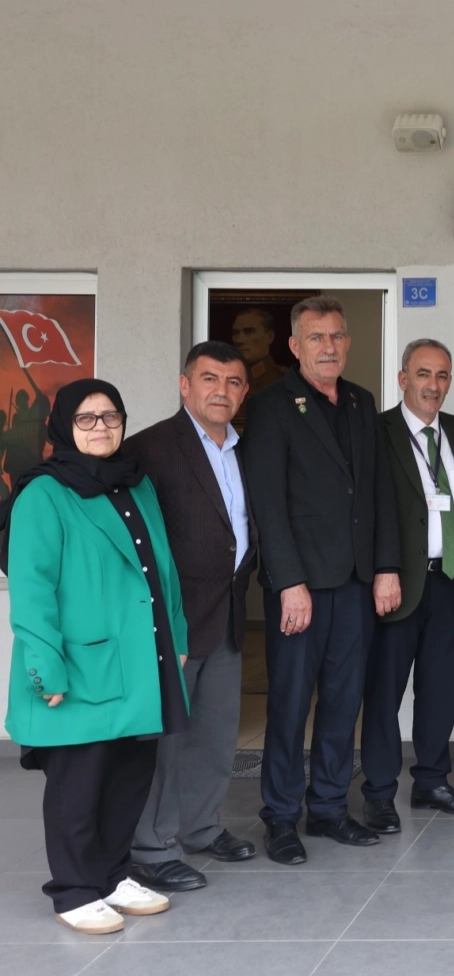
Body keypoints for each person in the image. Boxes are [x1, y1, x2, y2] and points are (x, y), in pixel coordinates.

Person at [2, 380, 187, 933]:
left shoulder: (136, 483)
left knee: (129, 776)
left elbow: (163, 569)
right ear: (64, 426)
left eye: (110, 416)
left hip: (139, 661)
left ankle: (111, 874)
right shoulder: (44, 494)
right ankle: (75, 889)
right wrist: (45, 669)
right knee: (78, 786)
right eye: (86, 419)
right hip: (79, 665)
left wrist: (176, 639)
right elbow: (31, 590)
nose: (101, 427)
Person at [242, 295, 401, 865]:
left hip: (356, 582)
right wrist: (288, 581)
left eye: (336, 336)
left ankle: (330, 808)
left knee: (342, 699)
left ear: (348, 343)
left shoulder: (361, 401)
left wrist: (386, 567)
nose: (328, 347)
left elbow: (377, 490)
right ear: (294, 346)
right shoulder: (270, 406)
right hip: (301, 586)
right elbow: (268, 501)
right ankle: (281, 816)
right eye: (316, 337)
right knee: (289, 704)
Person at [123, 342, 259, 893]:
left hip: (227, 613)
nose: (221, 391)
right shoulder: (149, 448)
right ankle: (152, 848)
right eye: (209, 379)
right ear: (185, 385)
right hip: (172, 622)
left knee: (214, 734)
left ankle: (202, 828)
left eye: (233, 382)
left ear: (244, 391)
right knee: (165, 741)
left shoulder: (246, 449)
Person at [359, 338, 454, 833]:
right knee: (384, 692)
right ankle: (379, 792)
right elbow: (368, 509)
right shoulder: (377, 431)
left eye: (443, 375)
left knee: (441, 689)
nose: (434, 385)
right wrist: (381, 570)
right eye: (424, 374)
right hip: (396, 584)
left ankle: (432, 780)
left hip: (451, 578)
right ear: (403, 378)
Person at [231, 308, 285, 397]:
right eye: (235, 333)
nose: (239, 340)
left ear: (270, 337)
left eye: (249, 332)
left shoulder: (287, 380)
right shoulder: (228, 379)